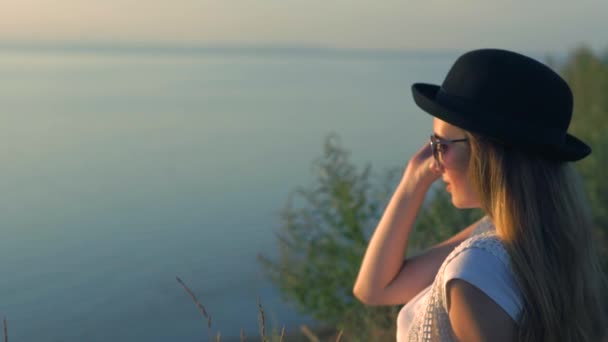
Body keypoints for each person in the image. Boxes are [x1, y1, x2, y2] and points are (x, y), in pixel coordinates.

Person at [352, 49, 607, 341]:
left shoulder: (476, 269)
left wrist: (411, 186)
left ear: (488, 154)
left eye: (441, 144)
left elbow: (374, 290)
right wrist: (413, 179)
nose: (434, 161)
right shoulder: (550, 242)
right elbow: (374, 288)